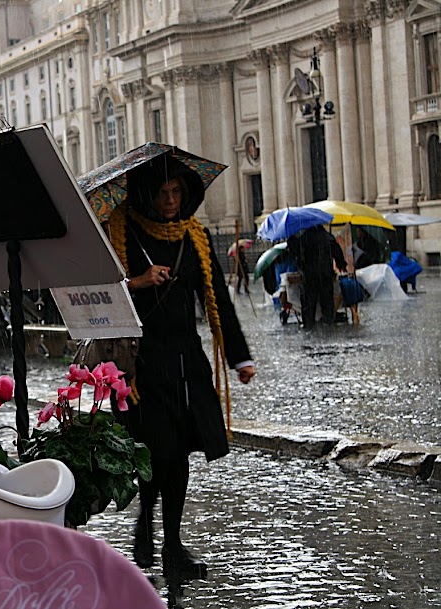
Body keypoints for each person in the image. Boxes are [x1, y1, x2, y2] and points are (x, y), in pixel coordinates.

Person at [107, 157, 254, 580]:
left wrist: (239, 358)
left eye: (177, 193)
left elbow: (218, 302)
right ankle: (146, 518)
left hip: (186, 361)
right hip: (140, 365)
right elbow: (101, 296)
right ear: (148, 195)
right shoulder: (123, 233)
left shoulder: (197, 237)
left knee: (179, 454)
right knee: (158, 450)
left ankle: (171, 543)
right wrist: (137, 282)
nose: (171, 201)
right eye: (162, 193)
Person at [287, 225, 347, 327]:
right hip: (325, 274)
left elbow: (295, 251)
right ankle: (328, 322)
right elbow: (337, 252)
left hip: (310, 275)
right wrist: (341, 264)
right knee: (327, 301)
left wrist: (291, 239)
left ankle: (309, 324)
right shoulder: (327, 237)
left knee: (309, 303)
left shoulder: (304, 238)